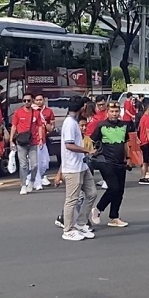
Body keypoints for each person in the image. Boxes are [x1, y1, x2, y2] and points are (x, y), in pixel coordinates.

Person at [59, 97, 98, 241]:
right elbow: (69, 145)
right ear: (82, 108)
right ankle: (68, 229)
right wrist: (86, 151)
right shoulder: (69, 123)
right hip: (72, 168)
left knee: (92, 193)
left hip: (81, 165)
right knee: (72, 199)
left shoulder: (74, 122)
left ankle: (81, 223)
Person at [90, 102, 133, 228]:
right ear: (107, 112)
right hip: (106, 162)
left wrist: (129, 158)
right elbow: (92, 141)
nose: (114, 114)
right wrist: (93, 152)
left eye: (116, 111)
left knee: (120, 191)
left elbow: (125, 143)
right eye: (112, 111)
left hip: (120, 162)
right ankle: (98, 209)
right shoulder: (101, 126)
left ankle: (114, 217)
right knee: (113, 188)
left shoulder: (124, 126)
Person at [10, 92, 43, 195]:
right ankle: (23, 185)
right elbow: (14, 126)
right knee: (23, 165)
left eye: (28, 100)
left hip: (33, 142)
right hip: (21, 142)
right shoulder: (18, 112)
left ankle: (32, 181)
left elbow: (40, 126)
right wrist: (11, 140)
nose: (26, 102)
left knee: (35, 165)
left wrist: (41, 138)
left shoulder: (36, 113)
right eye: (24, 101)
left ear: (32, 101)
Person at [32, 93, 56, 190]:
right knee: (35, 162)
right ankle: (35, 179)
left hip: (44, 140)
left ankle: (41, 176)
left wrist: (44, 122)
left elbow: (51, 128)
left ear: (44, 100)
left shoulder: (49, 111)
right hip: (33, 140)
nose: (38, 102)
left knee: (45, 162)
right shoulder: (31, 111)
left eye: (40, 100)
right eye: (37, 100)